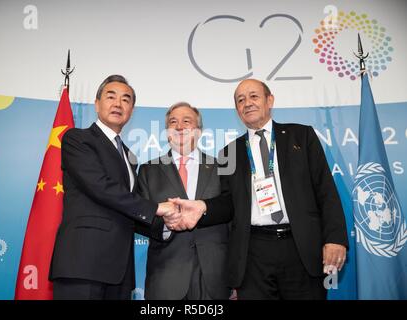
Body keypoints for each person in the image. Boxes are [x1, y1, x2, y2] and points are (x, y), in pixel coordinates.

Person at [170, 79, 348, 300]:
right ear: (237, 110)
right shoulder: (229, 152)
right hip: (253, 253)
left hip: (301, 247)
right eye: (240, 100)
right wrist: (202, 207)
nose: (247, 103)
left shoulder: (301, 136)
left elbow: (326, 191)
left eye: (253, 96)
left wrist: (335, 239)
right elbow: (228, 204)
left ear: (269, 100)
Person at [49, 75, 177, 300]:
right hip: (83, 264)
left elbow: (128, 207)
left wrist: (165, 227)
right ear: (97, 104)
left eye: (126, 99)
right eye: (111, 97)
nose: (118, 103)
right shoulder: (77, 139)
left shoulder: (129, 156)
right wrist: (157, 208)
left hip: (119, 270)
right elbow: (100, 187)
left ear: (131, 110)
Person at [136, 102, 230, 300]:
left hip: (214, 277)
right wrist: (166, 225)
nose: (179, 127)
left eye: (186, 121)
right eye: (173, 122)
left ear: (199, 131)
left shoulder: (222, 167)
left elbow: (232, 213)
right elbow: (139, 216)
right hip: (166, 276)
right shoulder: (148, 170)